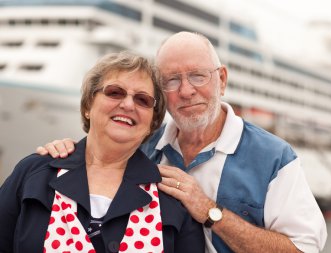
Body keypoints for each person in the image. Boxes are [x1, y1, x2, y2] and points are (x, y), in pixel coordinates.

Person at [35, 32, 327, 253]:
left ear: (221, 80)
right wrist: (70, 151)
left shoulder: (273, 158)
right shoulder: (144, 146)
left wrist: (211, 213)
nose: (186, 91)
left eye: (198, 76)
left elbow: (304, 249)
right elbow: (99, 158)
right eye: (171, 80)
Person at [0, 51, 205, 253]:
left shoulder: (172, 200)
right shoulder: (33, 174)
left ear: (152, 122)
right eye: (115, 92)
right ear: (88, 105)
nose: (127, 104)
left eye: (142, 100)